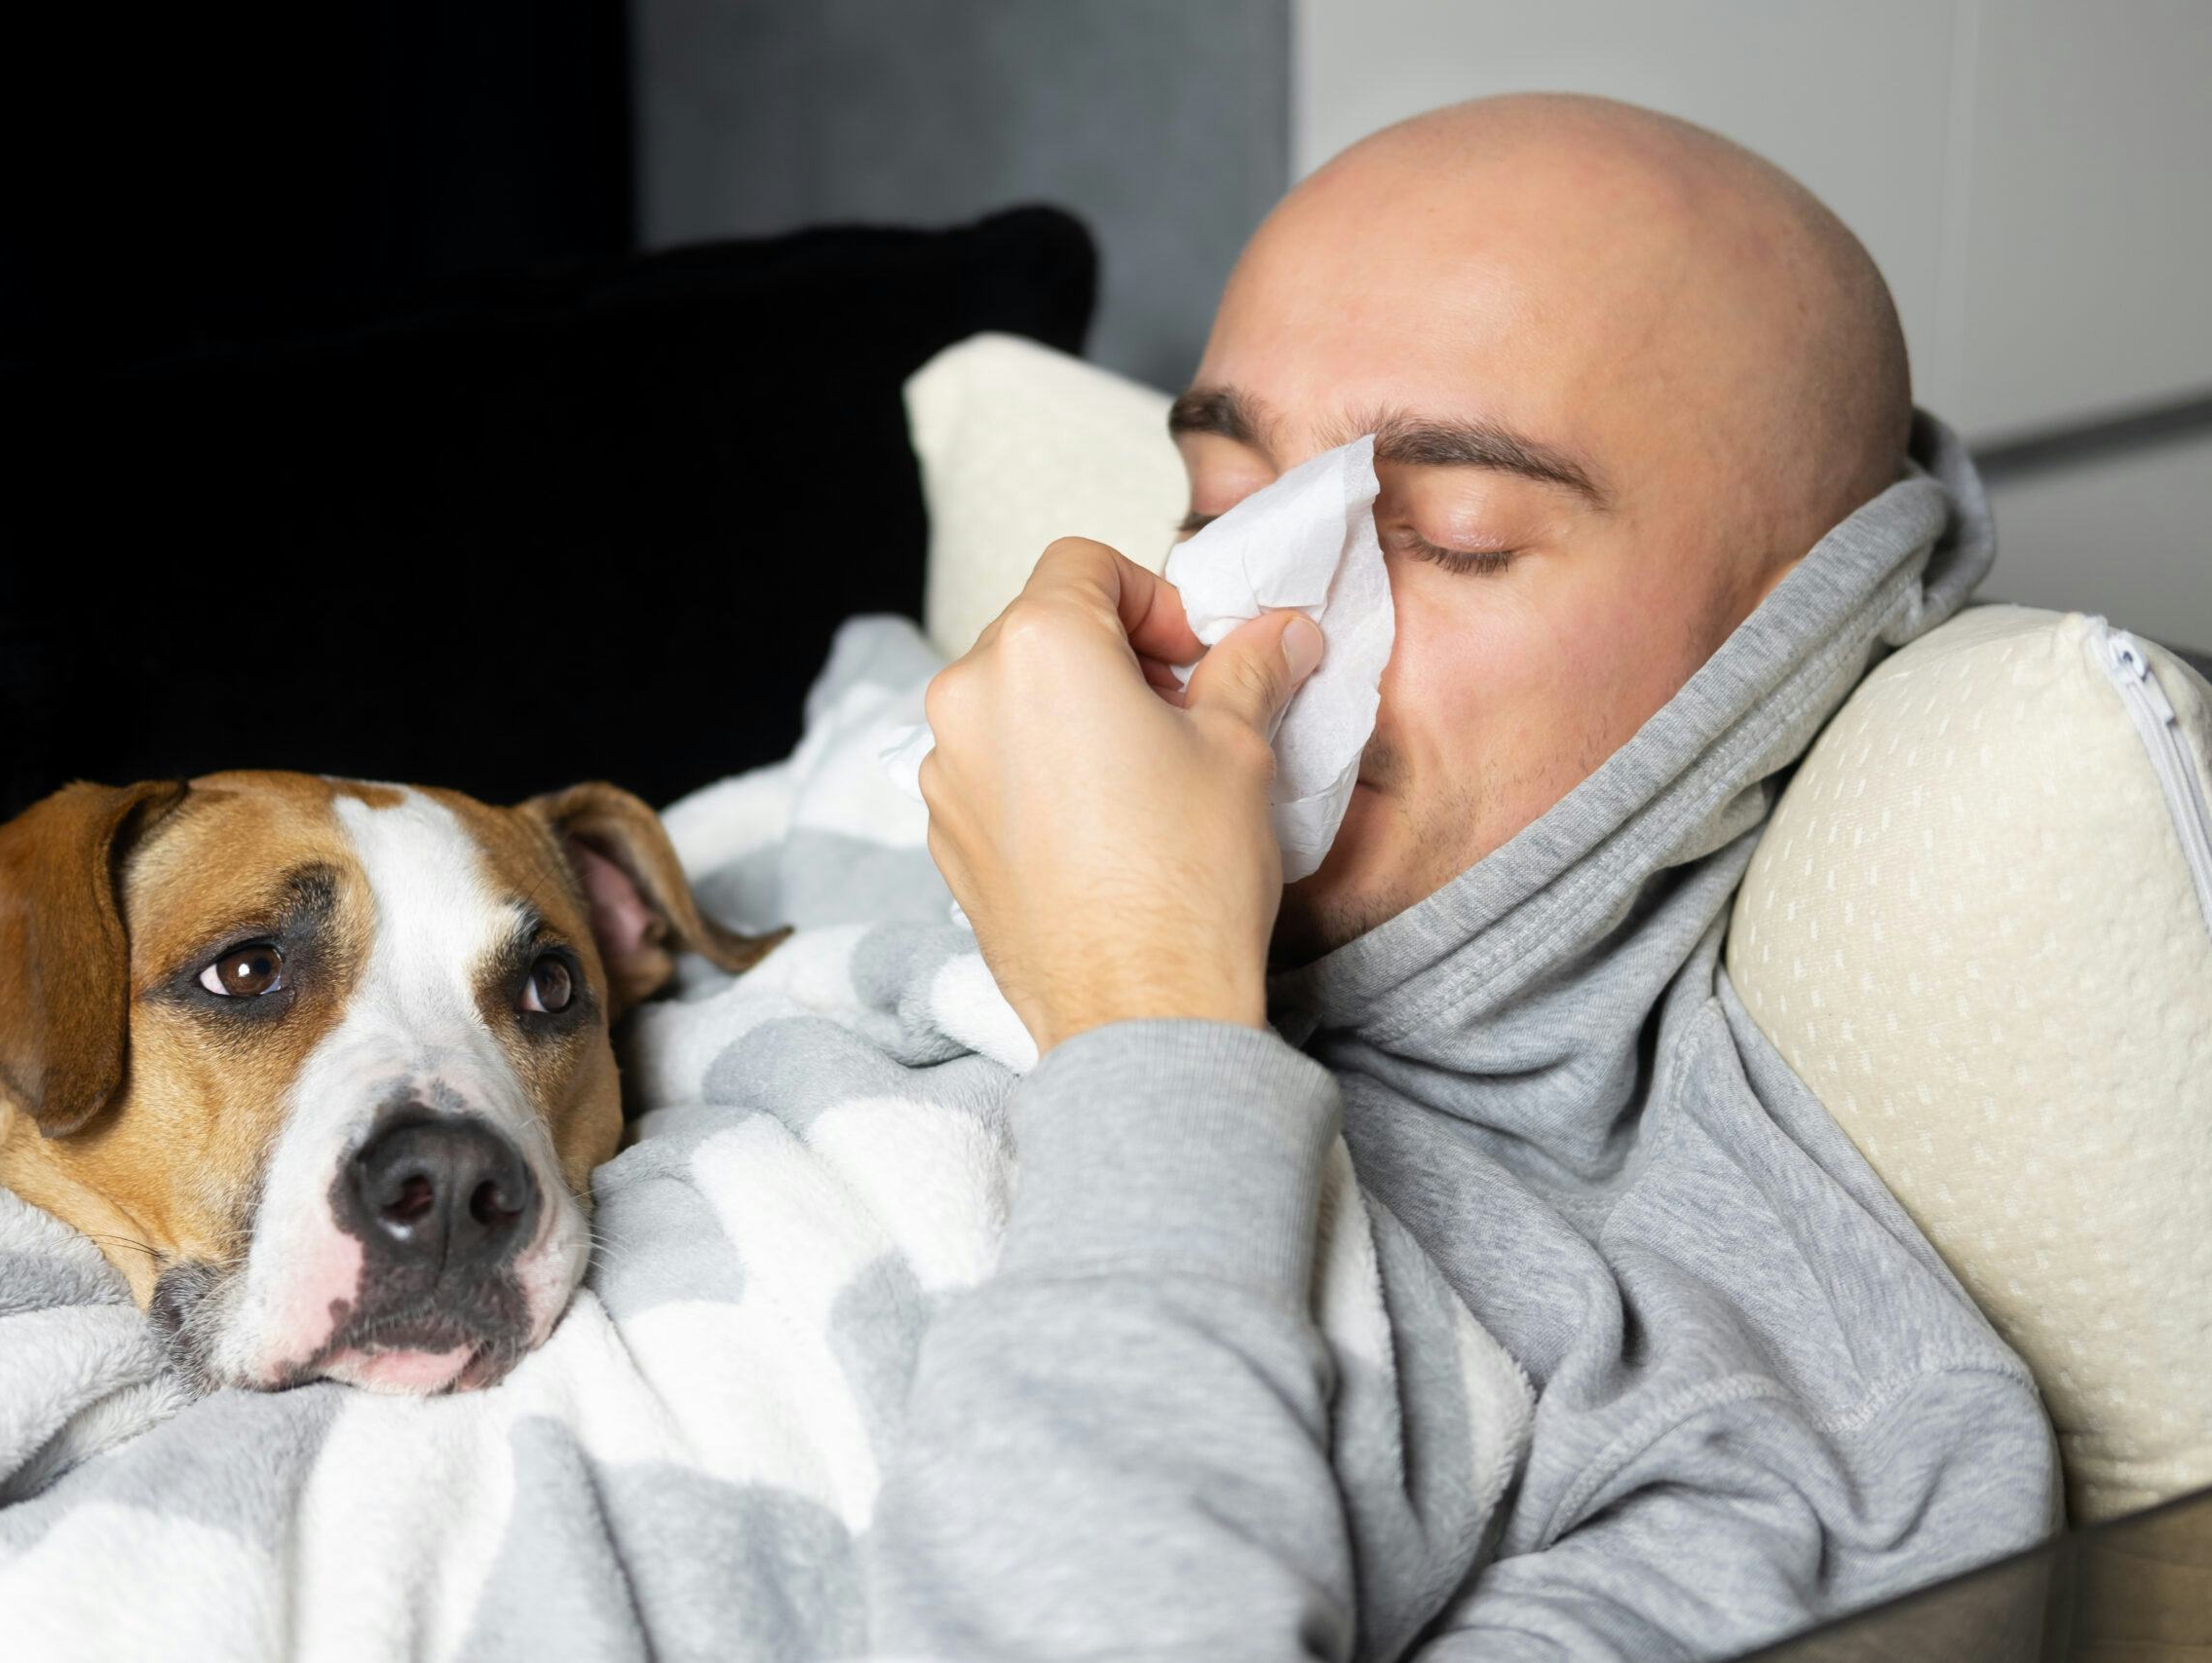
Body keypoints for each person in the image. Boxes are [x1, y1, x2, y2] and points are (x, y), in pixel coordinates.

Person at [877, 92, 2060, 1658]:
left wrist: (1144, 1010)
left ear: (1792, 645)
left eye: (1449, 533)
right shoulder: (897, 810)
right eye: (1225, 506)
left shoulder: (1776, 1454)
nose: (1257, 614)